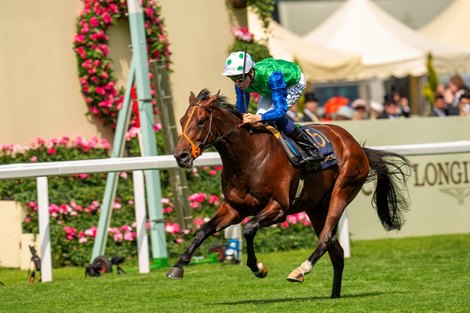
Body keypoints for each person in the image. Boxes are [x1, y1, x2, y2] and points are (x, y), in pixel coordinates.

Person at [221, 51, 324, 162]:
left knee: (271, 118)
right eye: (232, 78)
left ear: (251, 72)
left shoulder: (273, 76)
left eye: (239, 78)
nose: (237, 83)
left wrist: (258, 117)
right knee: (260, 119)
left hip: (293, 82)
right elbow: (241, 111)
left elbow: (280, 111)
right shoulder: (240, 82)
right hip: (270, 87)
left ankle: (311, 149)